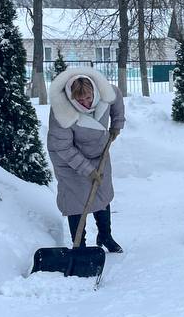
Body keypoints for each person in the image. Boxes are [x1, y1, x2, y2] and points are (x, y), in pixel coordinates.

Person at [47, 65, 126, 252]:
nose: (86, 103)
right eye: (80, 100)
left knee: (102, 193)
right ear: (71, 97)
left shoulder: (106, 93)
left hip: (98, 152)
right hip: (67, 157)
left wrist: (117, 124)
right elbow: (63, 147)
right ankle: (79, 245)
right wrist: (87, 170)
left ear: (95, 92)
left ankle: (105, 236)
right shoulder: (62, 112)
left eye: (88, 98)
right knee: (76, 200)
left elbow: (117, 98)